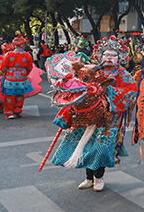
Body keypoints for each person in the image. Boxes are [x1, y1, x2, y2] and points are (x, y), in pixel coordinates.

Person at [51, 36, 137, 190]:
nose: (109, 58)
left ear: (120, 57)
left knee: (101, 147)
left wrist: (108, 90)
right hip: (88, 114)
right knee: (86, 145)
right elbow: (77, 84)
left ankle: (99, 178)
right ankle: (88, 178)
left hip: (109, 117)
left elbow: (130, 92)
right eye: (106, 55)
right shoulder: (90, 69)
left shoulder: (123, 74)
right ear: (100, 56)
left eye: (113, 55)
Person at [0, 36, 35, 119]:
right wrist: (24, 74)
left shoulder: (9, 54)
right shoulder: (28, 56)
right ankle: (17, 110)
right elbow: (30, 68)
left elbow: (3, 67)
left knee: (9, 96)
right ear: (23, 45)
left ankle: (9, 113)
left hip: (10, 78)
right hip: (22, 78)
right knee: (20, 95)